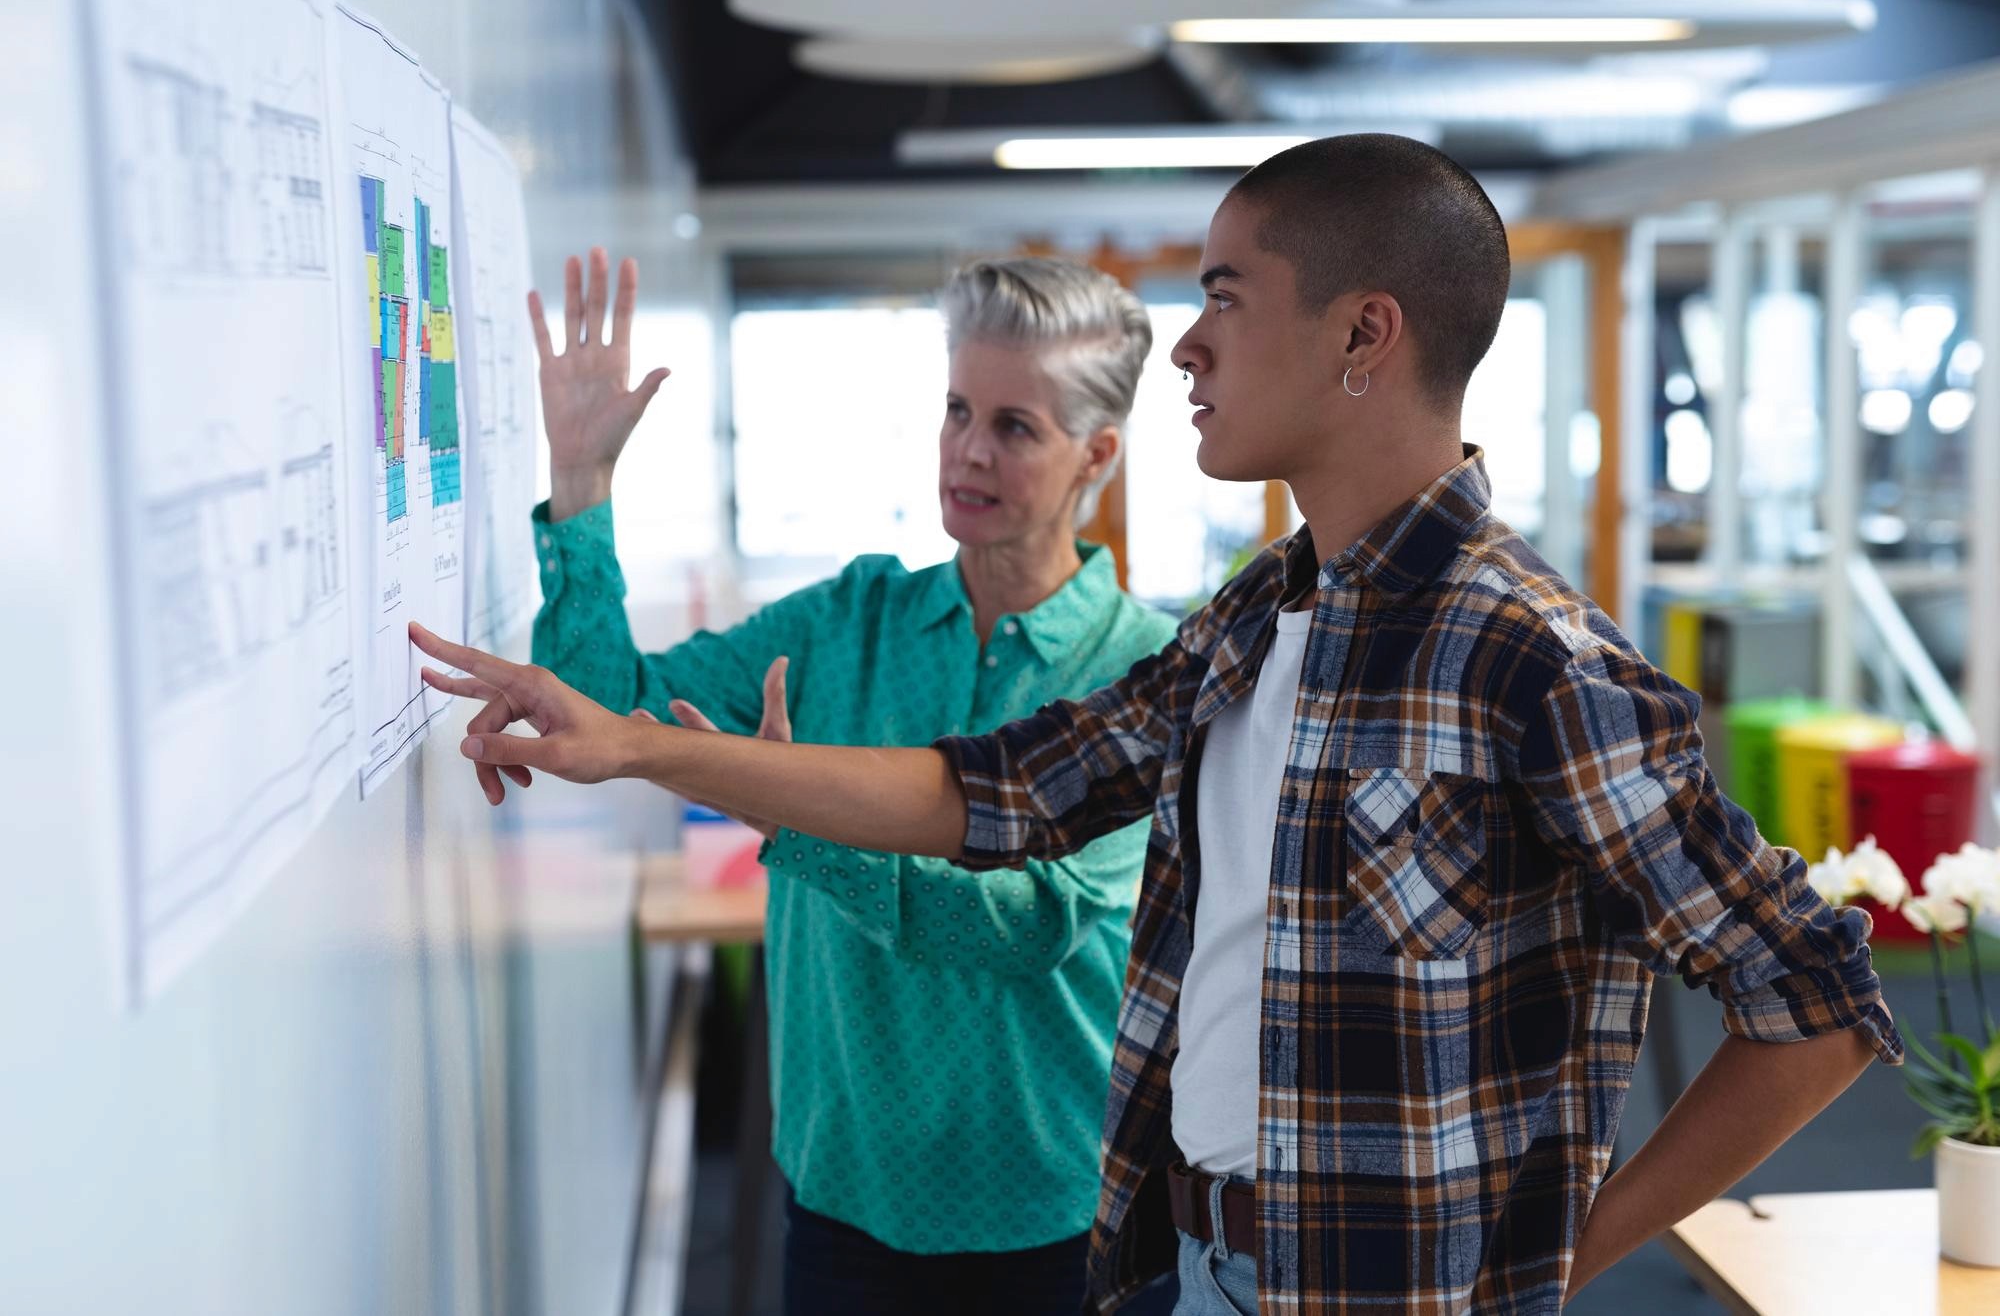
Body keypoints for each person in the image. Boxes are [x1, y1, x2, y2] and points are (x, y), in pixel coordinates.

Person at [416, 135, 1900, 1315]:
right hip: (1188, 1266)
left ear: (1362, 337)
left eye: (1226, 299)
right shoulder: (1250, 623)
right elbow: (993, 793)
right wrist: (646, 746)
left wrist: (1555, 1262)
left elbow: (1820, 1006)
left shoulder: (1534, 662)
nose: (1189, 347)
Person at [508, 248, 1176, 1314]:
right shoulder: (846, 621)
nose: (966, 448)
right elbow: (607, 710)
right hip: (847, 1197)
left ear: (1095, 454)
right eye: (957, 408)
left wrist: (786, 811)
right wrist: (581, 484)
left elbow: (1022, 925)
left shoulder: (1145, 670)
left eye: (1014, 426)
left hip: (1056, 1213)